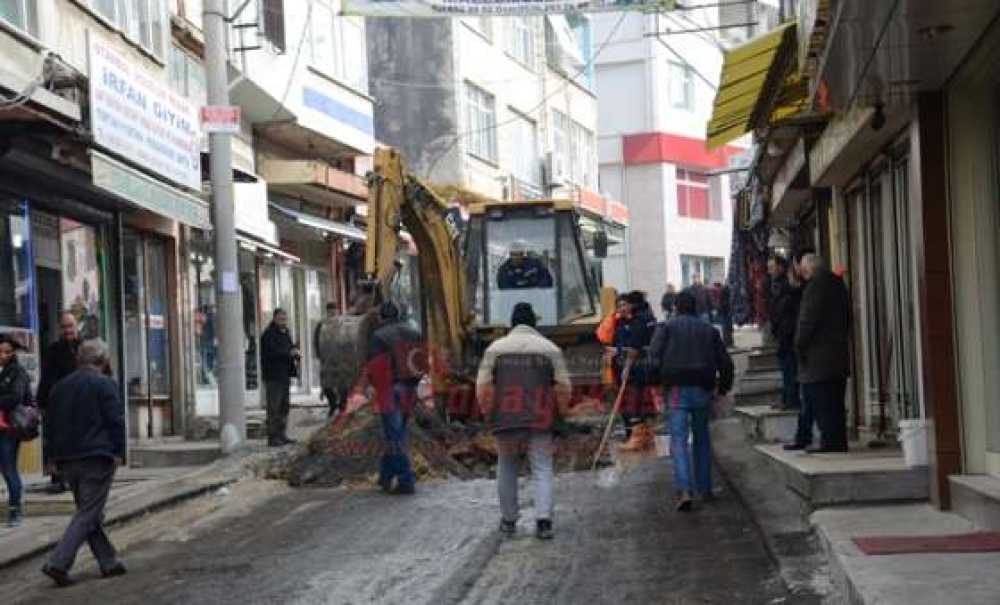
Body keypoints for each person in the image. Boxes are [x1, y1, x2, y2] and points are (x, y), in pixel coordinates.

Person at [476, 302, 571, 540]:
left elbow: (483, 387)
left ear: (512, 323)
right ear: (534, 323)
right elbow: (563, 387)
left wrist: (489, 414)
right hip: (541, 420)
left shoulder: (495, 349)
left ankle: (509, 520)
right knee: (542, 468)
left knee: (507, 467)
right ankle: (543, 521)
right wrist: (562, 415)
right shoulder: (550, 349)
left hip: (506, 421)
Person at [41, 339, 126, 587]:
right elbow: (115, 421)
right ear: (103, 360)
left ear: (80, 360)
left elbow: (51, 426)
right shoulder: (105, 384)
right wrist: (119, 452)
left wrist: (51, 459)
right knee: (88, 513)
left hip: (67, 460)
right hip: (95, 457)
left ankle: (108, 561)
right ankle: (58, 562)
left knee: (88, 513)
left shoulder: (59, 388)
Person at [649, 292, 734, 512]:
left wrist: (655, 384)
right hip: (702, 388)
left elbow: (654, 358)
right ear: (695, 307)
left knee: (678, 440)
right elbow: (725, 363)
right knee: (702, 438)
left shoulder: (666, 328)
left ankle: (684, 490)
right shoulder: (709, 330)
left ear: (675, 308)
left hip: (676, 389)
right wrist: (723, 388)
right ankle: (705, 488)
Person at [793, 254, 851, 453]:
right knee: (834, 402)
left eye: (801, 268)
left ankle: (830, 443)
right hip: (837, 354)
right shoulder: (838, 284)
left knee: (823, 403)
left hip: (818, 359)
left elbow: (807, 319)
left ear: (808, 269)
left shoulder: (815, 287)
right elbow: (848, 317)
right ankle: (833, 440)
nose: (800, 272)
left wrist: (799, 344)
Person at [366, 302, 425, 495]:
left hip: (390, 390)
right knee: (396, 434)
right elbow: (421, 362)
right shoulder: (414, 332)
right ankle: (385, 476)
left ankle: (406, 480)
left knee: (394, 436)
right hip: (410, 389)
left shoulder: (378, 336)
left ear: (382, 317)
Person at [37, 311, 82, 494]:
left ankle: (77, 476)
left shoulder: (85, 347)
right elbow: (46, 378)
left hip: (81, 404)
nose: (67, 330)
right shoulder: (53, 350)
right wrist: (42, 403)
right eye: (64, 327)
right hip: (58, 405)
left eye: (70, 326)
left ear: (76, 326)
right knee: (58, 442)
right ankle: (58, 478)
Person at [314, 300, 375, 418]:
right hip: (328, 359)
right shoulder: (322, 324)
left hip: (342, 360)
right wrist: (320, 356)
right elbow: (316, 341)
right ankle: (333, 405)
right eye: (330, 311)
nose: (333, 314)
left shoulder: (342, 323)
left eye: (334, 311)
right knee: (327, 385)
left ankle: (342, 406)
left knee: (342, 385)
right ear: (327, 312)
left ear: (337, 311)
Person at [614, 291, 658, 450]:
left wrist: (626, 368)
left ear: (632, 305)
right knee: (631, 406)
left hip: (636, 370)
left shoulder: (638, 322)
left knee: (635, 406)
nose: (622, 308)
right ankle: (639, 437)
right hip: (626, 366)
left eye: (624, 304)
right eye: (619, 306)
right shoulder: (620, 323)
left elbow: (634, 348)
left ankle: (638, 439)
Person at [0, 335, 30, 528]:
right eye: (0, 351)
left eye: (7, 352)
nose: (2, 355)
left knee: (9, 467)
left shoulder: (17, 372)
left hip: (9, 427)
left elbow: (15, 398)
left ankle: (15, 510)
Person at [768, 256, 803, 416]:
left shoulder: (787, 288)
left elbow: (786, 313)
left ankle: (791, 400)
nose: (770, 271)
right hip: (784, 334)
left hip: (788, 335)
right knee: (786, 368)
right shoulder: (778, 287)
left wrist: (783, 332)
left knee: (789, 368)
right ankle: (788, 398)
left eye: (772, 267)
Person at [260, 309, 299, 447]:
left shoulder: (285, 332)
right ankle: (273, 436)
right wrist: (289, 353)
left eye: (285, 319)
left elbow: (289, 347)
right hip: (273, 376)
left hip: (284, 375)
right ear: (275, 318)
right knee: (274, 407)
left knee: (284, 406)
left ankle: (281, 434)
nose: (283, 322)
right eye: (281, 319)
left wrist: (295, 352)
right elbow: (273, 353)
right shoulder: (269, 335)